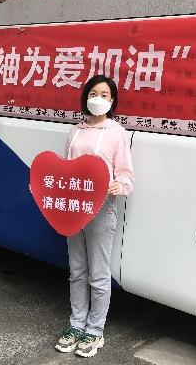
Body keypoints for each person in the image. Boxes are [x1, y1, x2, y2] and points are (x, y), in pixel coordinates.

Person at [55, 75, 135, 358]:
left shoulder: (116, 133)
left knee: (99, 274)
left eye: (104, 94)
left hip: (102, 209)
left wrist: (119, 185)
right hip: (74, 208)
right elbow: (66, 170)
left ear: (112, 101)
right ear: (85, 97)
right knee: (77, 271)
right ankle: (76, 325)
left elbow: (126, 174)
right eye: (93, 93)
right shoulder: (75, 131)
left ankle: (95, 330)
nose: (98, 98)